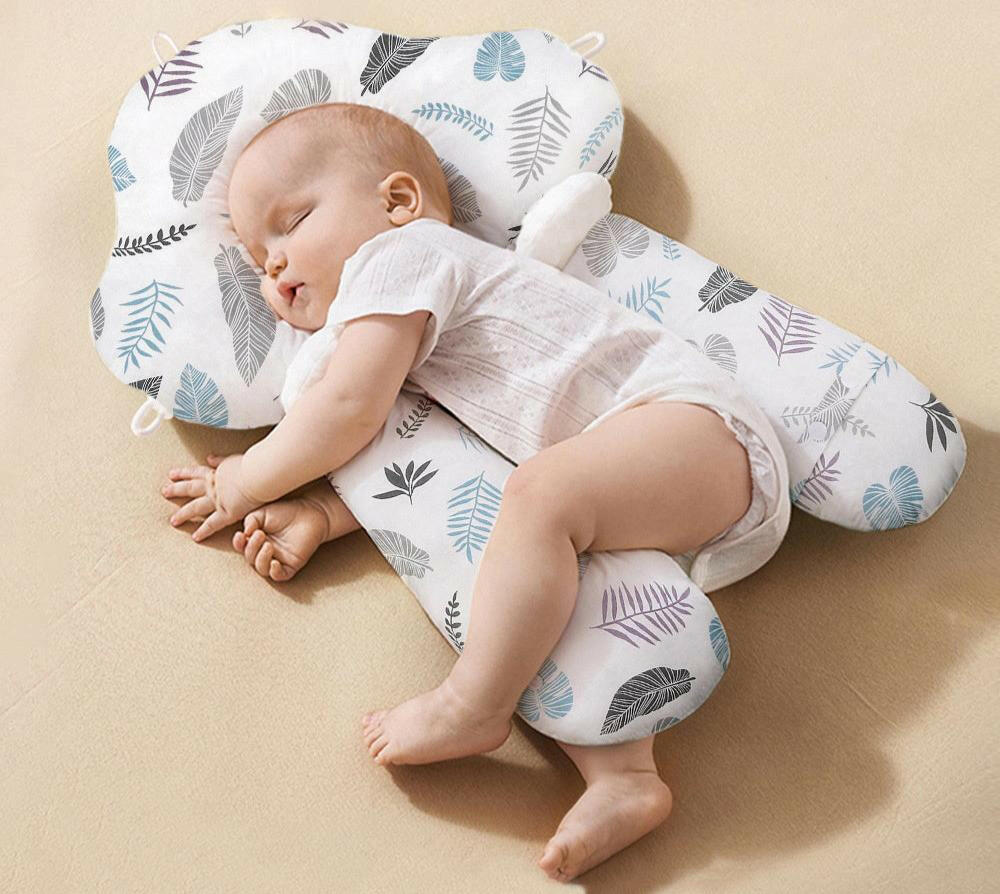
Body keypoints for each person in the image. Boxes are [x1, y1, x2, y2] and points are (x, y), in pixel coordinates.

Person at [161, 102, 789, 883]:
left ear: (396, 202)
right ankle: (623, 776)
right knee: (548, 588)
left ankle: (474, 705)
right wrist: (323, 515)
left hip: (689, 427)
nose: (276, 267)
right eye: (258, 262)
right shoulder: (411, 337)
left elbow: (348, 411)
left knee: (540, 496)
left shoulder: (402, 257)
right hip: (622, 480)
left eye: (291, 225)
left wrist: (243, 480)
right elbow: (435, 458)